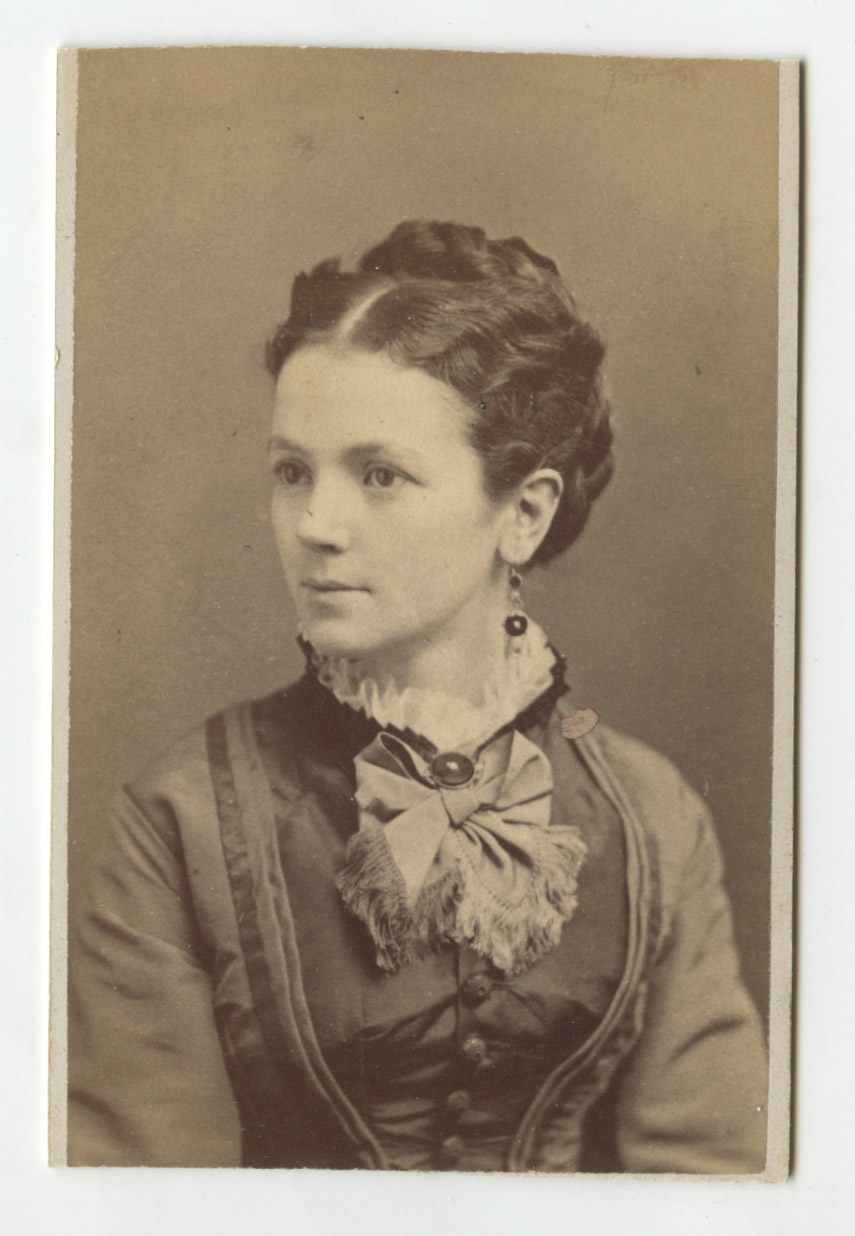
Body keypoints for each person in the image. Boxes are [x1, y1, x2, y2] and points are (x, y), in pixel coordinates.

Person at [68, 220, 767, 1172]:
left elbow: (713, 1186)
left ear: (522, 513)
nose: (314, 524)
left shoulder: (650, 819)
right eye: (291, 472)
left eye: (380, 475)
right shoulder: (179, 818)